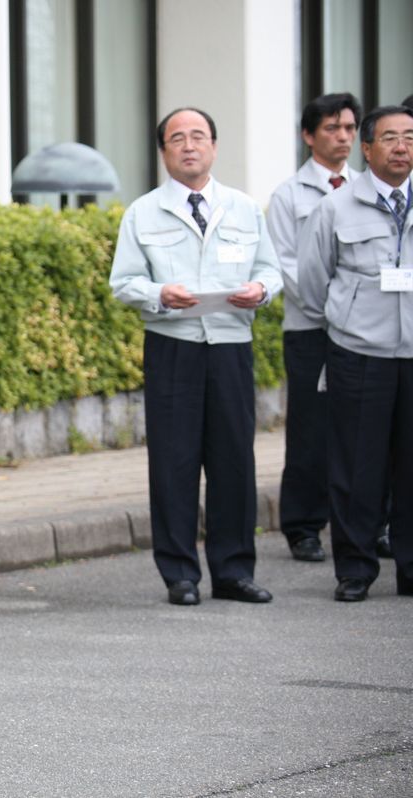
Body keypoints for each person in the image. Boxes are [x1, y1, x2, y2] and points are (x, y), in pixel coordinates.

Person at [109, 108, 282, 607]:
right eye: (177, 139)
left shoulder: (245, 208)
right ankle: (180, 574)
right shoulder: (142, 212)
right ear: (163, 151)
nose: (189, 146)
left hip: (230, 345)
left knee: (234, 461)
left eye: (198, 137)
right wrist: (161, 293)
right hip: (174, 346)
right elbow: (124, 283)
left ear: (214, 146)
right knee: (174, 462)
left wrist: (260, 290)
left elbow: (272, 270)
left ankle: (233, 572)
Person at [298, 104, 413, 602]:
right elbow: (311, 280)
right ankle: (355, 568)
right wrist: (349, 318)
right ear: (366, 149)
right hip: (358, 353)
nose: (402, 146)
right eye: (389, 138)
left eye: (409, 137)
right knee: (355, 467)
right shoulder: (336, 207)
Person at [267, 93, 361, 563]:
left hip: (367, 334)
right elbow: (289, 267)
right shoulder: (289, 196)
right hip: (311, 329)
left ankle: (370, 522)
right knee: (309, 428)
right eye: (331, 128)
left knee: (366, 431)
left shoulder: (368, 188)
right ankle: (303, 525)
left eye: (348, 128)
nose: (342, 137)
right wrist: (341, 311)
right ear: (308, 136)